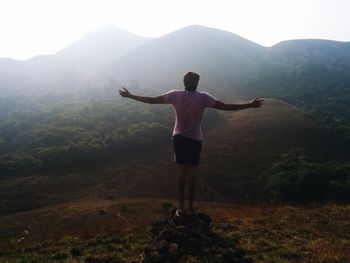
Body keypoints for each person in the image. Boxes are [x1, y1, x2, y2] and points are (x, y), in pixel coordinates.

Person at [119, 72, 263, 216]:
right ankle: (191, 207)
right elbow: (226, 107)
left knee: (182, 172)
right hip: (195, 139)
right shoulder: (203, 97)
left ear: (184, 82)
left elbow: (151, 100)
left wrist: (130, 96)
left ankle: (181, 208)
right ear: (197, 83)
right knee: (192, 174)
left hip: (179, 138)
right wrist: (250, 105)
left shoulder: (175, 95)